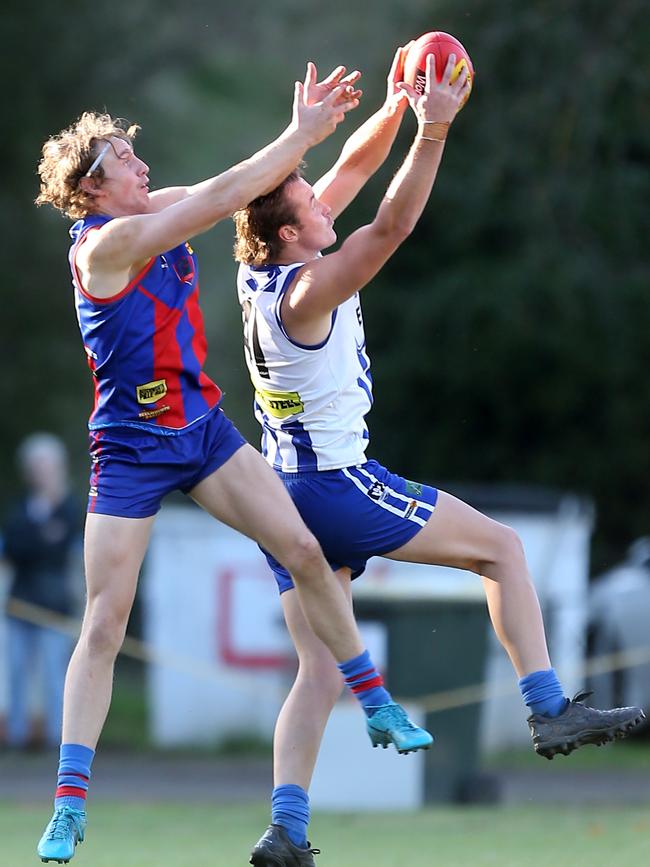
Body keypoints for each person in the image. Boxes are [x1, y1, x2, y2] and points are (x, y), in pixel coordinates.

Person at [233, 48, 646, 866]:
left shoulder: (259, 272)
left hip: (282, 499)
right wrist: (433, 131)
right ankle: (548, 706)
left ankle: (286, 830)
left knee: (318, 670)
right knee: (503, 549)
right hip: (338, 487)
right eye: (310, 202)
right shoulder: (310, 291)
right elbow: (389, 226)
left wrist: (390, 109)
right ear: (290, 232)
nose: (324, 201)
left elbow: (349, 171)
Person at [32, 65, 433, 865]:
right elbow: (223, 199)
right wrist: (301, 135)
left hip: (204, 431)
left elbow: (231, 184)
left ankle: (375, 700)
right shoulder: (107, 244)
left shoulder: (156, 206)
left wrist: (385, 114)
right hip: (132, 449)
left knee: (307, 552)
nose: (141, 166)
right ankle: (69, 804)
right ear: (92, 187)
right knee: (105, 622)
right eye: (123, 160)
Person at [2, 433, 81, 751]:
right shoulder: (21, 508)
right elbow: (17, 547)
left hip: (54, 607)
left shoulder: (71, 508)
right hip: (20, 605)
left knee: (54, 677)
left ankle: (55, 738)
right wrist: (42, 538)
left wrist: (38, 540)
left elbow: (58, 550)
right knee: (17, 674)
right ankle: (17, 737)